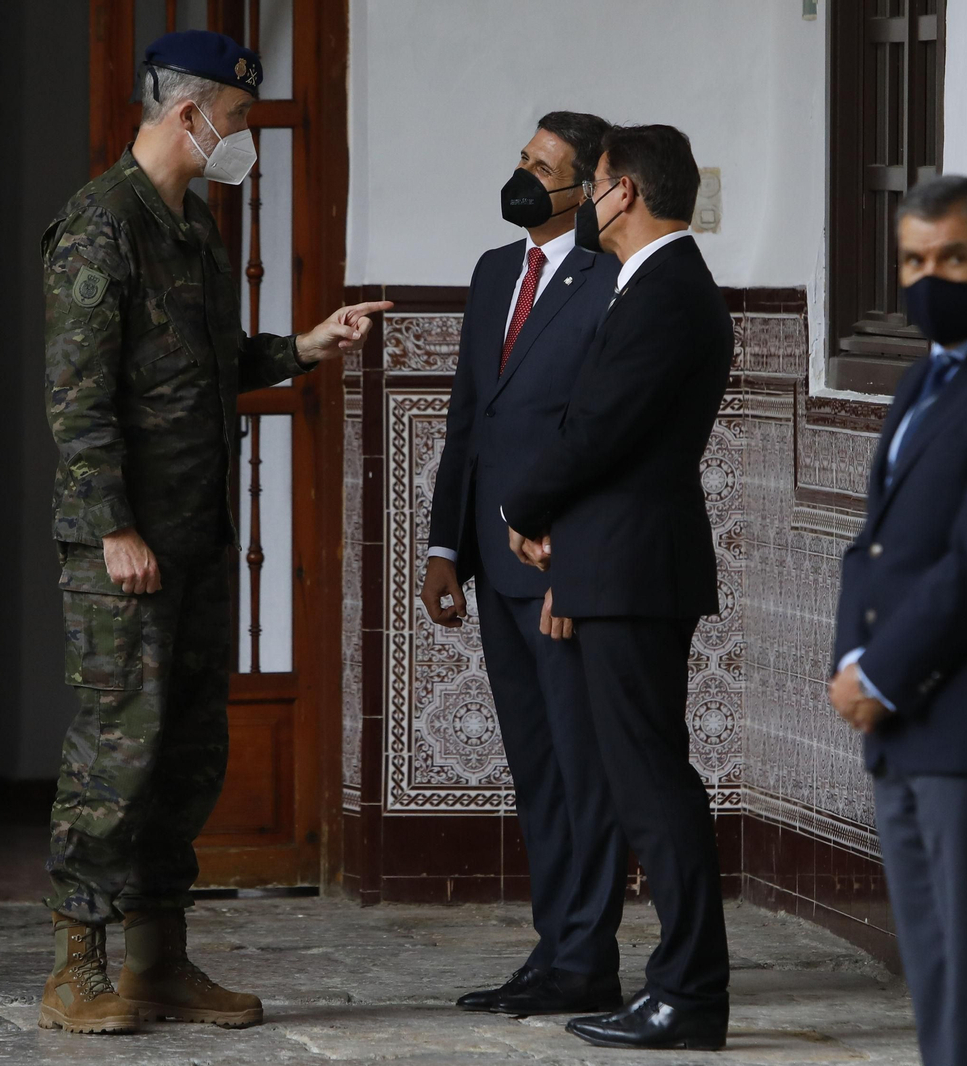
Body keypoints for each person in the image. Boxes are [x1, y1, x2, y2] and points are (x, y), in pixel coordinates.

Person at [39, 30, 390, 1035]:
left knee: (187, 749)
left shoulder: (189, 227)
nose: (245, 137)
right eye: (237, 119)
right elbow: (77, 403)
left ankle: (158, 961)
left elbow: (207, 364)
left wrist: (304, 348)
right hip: (127, 550)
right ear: (189, 113)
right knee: (117, 750)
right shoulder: (101, 227)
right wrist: (113, 528)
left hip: (193, 539)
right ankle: (74, 967)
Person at [503, 124, 733, 1051]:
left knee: (652, 785)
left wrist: (526, 501)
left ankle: (690, 988)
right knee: (644, 781)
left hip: (639, 569)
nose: (588, 204)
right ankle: (676, 985)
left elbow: (600, 429)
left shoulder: (668, 290)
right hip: (620, 563)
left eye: (592, 185)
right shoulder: (654, 285)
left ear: (623, 192)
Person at [828, 175, 967, 1066]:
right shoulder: (926, 373)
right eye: (913, 261)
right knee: (934, 981)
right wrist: (852, 655)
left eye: (951, 258)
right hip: (898, 724)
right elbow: (874, 543)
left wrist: (881, 674)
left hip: (961, 724)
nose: (929, 279)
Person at [421, 112, 626, 1018]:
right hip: (494, 573)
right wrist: (442, 548)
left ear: (584, 190)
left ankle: (589, 958)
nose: (525, 176)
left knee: (585, 771)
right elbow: (472, 417)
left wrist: (575, 565)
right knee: (536, 768)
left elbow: (600, 439)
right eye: (522, 159)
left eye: (545, 167)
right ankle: (554, 951)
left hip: (557, 571)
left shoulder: (610, 281)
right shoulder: (495, 271)